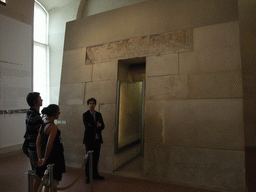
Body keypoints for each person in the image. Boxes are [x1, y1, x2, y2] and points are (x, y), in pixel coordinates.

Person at [35, 104, 66, 192]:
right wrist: (44, 159)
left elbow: (38, 143)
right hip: (54, 157)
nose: (59, 114)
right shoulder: (53, 127)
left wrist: (40, 157)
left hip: (45, 155)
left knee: (46, 181)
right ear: (55, 113)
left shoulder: (43, 125)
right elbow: (50, 144)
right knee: (52, 182)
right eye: (58, 112)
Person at [83, 98, 105, 184]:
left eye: (93, 103)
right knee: (89, 158)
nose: (91, 105)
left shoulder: (99, 114)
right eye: (90, 103)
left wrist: (95, 125)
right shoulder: (85, 115)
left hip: (97, 139)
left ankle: (95, 174)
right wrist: (97, 126)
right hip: (89, 140)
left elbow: (103, 126)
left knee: (96, 158)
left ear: (95, 105)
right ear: (88, 105)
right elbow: (87, 127)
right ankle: (88, 176)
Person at [24, 92, 43, 170]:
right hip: (35, 147)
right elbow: (41, 132)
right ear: (35, 102)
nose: (42, 99)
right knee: (38, 171)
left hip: (31, 146)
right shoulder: (35, 115)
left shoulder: (30, 112)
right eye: (39, 98)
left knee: (35, 169)